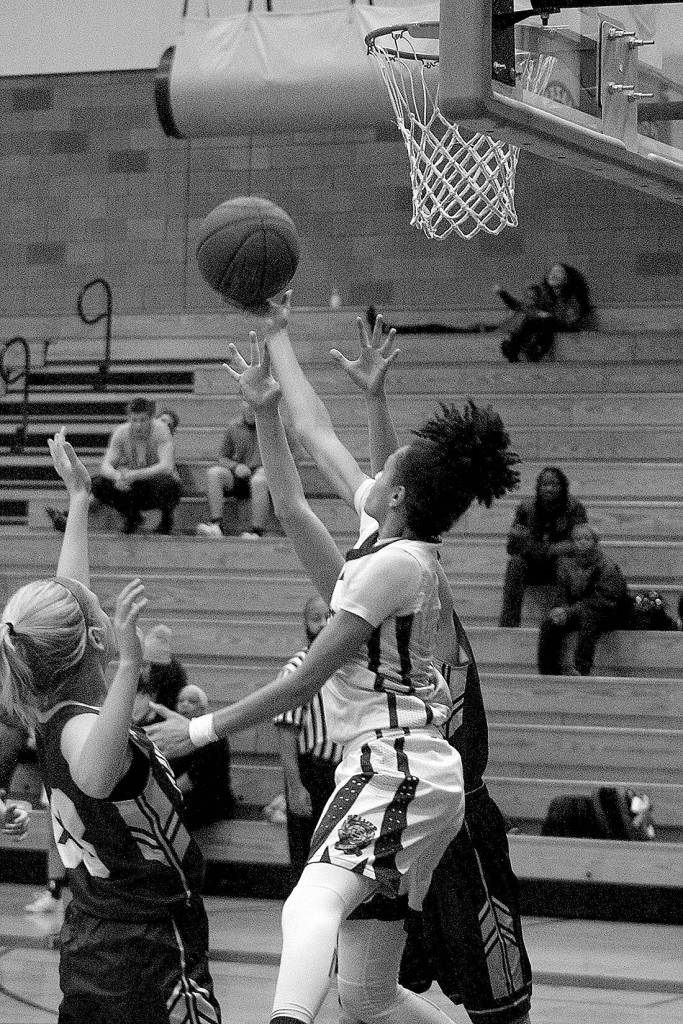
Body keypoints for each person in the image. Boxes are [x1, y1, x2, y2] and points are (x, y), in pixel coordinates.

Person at [148, 301, 520, 1024]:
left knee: (312, 895)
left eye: (387, 472)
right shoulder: (381, 553)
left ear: (399, 494)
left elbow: (308, 677)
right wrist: (266, 397)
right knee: (367, 997)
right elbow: (290, 494)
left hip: (402, 764)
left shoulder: (396, 568)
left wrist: (195, 733)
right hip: (391, 766)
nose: (371, 471)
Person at [260, 298, 532, 1024]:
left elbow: (368, 483)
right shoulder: (375, 569)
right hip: (399, 799)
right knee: (366, 999)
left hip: (448, 807)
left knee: (499, 1010)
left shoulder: (407, 581)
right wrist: (278, 333)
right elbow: (319, 444)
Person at [0, 430, 220, 1024]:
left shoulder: (47, 710)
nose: (96, 601)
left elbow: (69, 596)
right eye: (95, 610)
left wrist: (79, 500)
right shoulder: (79, 729)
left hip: (98, 928)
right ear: (91, 644)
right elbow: (97, 776)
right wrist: (128, 668)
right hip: (145, 938)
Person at [273, 595, 343, 886]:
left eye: (330, 616)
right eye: (317, 618)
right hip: (313, 773)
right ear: (306, 625)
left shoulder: (350, 667)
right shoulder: (297, 669)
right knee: (308, 857)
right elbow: (286, 731)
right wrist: (295, 786)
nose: (325, 624)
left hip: (347, 770)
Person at [499, 466, 588, 627]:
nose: (549, 489)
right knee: (515, 564)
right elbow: (512, 548)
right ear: (538, 487)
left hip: (560, 565)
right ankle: (508, 625)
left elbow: (581, 543)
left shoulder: (574, 507)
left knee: (564, 564)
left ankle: (562, 622)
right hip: (533, 563)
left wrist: (550, 549)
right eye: (545, 484)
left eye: (554, 484)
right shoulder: (526, 507)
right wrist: (518, 538)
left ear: (563, 487)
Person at [538, 523, 631, 676]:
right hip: (576, 610)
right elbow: (562, 594)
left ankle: (581, 669)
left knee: (589, 618)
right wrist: (559, 610)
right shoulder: (565, 565)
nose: (582, 542)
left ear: (595, 542)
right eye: (578, 539)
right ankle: (548, 672)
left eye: (587, 538)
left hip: (607, 613)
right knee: (549, 622)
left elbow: (604, 600)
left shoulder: (607, 566)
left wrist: (569, 611)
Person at [91, 395, 182, 534]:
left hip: (152, 484)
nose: (138, 425)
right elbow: (105, 466)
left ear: (151, 418)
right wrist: (117, 476)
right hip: (131, 485)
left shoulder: (161, 430)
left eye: (143, 420)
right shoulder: (121, 432)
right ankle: (132, 516)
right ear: (129, 418)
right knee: (98, 484)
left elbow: (167, 467)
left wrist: (135, 474)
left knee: (171, 485)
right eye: (134, 420)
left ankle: (166, 518)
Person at [196, 400, 272, 539]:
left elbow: (296, 455)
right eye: (246, 402)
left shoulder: (275, 425)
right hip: (241, 475)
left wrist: (272, 468)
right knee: (214, 473)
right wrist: (235, 466)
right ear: (241, 404)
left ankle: (257, 532)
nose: (250, 407)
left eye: (253, 403)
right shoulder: (234, 426)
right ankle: (216, 525)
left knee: (259, 481)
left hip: (268, 479)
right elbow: (222, 457)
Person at [494, 262, 596, 362]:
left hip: (565, 325)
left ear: (567, 279)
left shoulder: (574, 295)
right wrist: (504, 295)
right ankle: (516, 347)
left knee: (546, 321)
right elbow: (524, 307)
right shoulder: (540, 292)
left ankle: (524, 348)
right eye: (551, 272)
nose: (553, 274)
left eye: (559, 272)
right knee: (534, 320)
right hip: (543, 325)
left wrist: (548, 315)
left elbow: (572, 319)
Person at [170, 683, 235, 831]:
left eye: (192, 702)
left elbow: (194, 779)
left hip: (209, 804)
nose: (184, 705)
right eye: (180, 701)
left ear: (203, 708)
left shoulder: (211, 735)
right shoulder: (175, 734)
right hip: (186, 798)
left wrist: (165, 794)